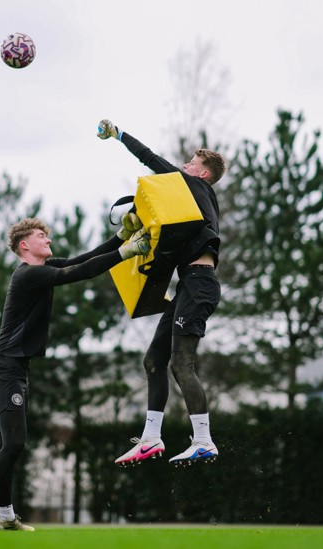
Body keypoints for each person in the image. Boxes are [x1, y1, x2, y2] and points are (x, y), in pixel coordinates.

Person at [0, 217, 151, 532]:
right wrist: (129, 251)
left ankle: (6, 515)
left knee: (8, 445)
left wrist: (122, 236)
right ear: (25, 244)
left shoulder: (40, 272)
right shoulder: (27, 275)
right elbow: (78, 272)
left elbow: (84, 260)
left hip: (15, 368)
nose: (48, 240)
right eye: (42, 236)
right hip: (4, 367)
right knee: (14, 444)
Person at [96, 119, 226, 467]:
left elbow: (151, 159)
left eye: (190, 165)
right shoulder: (196, 203)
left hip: (199, 285)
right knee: (154, 360)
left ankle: (204, 441)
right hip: (189, 286)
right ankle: (151, 438)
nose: (183, 168)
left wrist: (119, 135)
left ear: (202, 174)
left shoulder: (195, 188)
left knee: (180, 362)